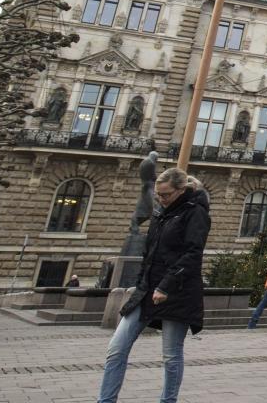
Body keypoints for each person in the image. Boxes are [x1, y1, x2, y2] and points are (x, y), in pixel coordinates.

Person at [96, 168, 209, 403]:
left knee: (171, 355)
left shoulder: (195, 213)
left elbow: (192, 253)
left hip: (177, 291)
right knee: (116, 347)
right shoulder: (159, 213)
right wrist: (142, 284)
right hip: (147, 289)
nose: (160, 198)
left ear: (180, 190)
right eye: (158, 194)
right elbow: (149, 252)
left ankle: (168, 400)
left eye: (165, 194)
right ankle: (106, 400)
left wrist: (165, 286)